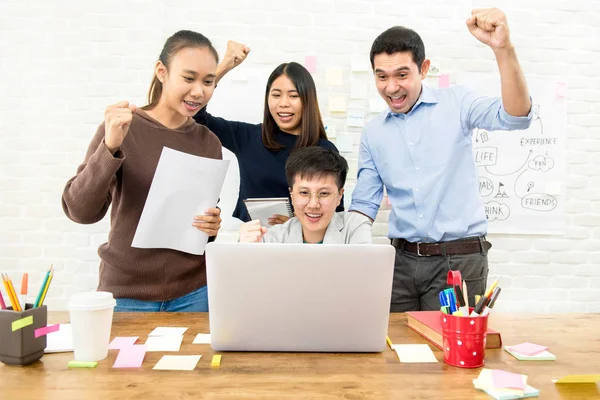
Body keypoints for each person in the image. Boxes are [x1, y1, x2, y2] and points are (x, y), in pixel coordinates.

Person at [350, 8, 533, 312]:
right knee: (392, 350)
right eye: (381, 77)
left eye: (402, 75)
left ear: (424, 68)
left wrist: (503, 49)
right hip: (400, 265)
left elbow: (516, 117)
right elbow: (364, 205)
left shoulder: (458, 103)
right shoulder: (373, 133)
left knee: (450, 354)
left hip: (459, 262)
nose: (391, 87)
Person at [62, 30, 224, 312]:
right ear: (162, 71)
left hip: (195, 293)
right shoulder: (124, 128)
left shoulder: (208, 142)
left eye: (208, 82)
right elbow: (80, 211)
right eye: (189, 78)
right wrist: (110, 146)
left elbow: (197, 224)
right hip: (127, 295)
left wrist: (212, 226)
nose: (199, 91)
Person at [193, 41, 344, 225]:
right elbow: (196, 116)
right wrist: (225, 66)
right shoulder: (247, 136)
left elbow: (337, 215)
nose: (283, 103)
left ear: (307, 100)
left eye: (293, 95)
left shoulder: (324, 151)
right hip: (252, 242)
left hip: (301, 247)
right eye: (276, 95)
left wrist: (297, 223)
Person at [240, 147, 371, 244]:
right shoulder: (272, 237)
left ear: (339, 196)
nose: (313, 204)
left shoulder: (355, 226)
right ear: (292, 195)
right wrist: (244, 251)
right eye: (304, 193)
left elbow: (365, 276)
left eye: (324, 193)